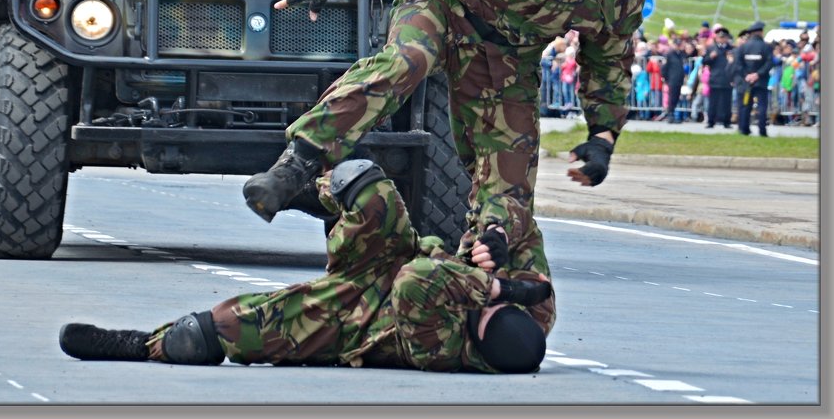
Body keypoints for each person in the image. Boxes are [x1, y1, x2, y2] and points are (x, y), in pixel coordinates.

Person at [243, 0, 650, 255]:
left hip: (506, 56)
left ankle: (477, 273)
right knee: (407, 62)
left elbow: (609, 58)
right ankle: (298, 163)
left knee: (509, 183)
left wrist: (603, 136)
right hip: (442, 3)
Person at [59, 159, 555, 374]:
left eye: (481, 312)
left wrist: (489, 286)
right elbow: (517, 214)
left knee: (216, 330)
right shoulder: (535, 312)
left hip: (359, 317)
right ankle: (315, 196)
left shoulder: (442, 346)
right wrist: (497, 236)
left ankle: (136, 344)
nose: (479, 304)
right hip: (401, 254)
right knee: (362, 181)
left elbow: (419, 281)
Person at [734, 21, 774, 137]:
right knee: (762, 106)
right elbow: (769, 63)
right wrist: (758, 74)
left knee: (746, 105)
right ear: (760, 32)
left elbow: (738, 64)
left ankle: (744, 129)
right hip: (760, 82)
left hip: (747, 83)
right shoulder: (766, 47)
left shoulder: (743, 47)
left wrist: (747, 75)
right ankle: (762, 130)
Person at [702, 26, 735, 129]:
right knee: (713, 102)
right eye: (719, 37)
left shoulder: (731, 49)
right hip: (715, 78)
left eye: (723, 37)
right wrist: (710, 57)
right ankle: (711, 121)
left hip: (727, 79)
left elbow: (736, 64)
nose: (721, 39)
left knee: (727, 102)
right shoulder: (711, 48)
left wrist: (731, 61)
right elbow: (704, 61)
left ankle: (726, 121)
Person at [659, 35, 687, 123]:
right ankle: (670, 115)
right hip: (672, 79)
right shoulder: (669, 54)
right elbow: (664, 68)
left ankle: (672, 113)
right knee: (672, 97)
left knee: (676, 97)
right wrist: (666, 78)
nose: (678, 46)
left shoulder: (681, 54)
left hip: (679, 79)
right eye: (677, 45)